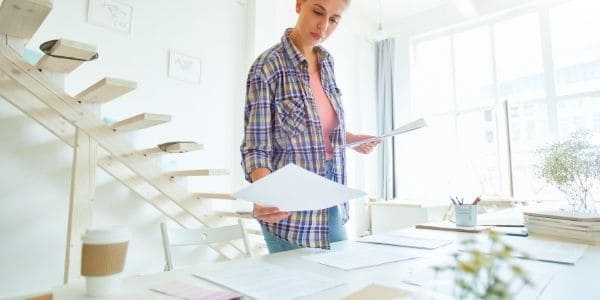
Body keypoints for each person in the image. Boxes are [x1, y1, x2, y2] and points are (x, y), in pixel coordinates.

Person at [240, 0, 379, 253]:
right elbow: (255, 146)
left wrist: (352, 138)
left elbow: (318, 130)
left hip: (330, 192)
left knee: (340, 280)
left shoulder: (327, 63)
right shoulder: (268, 66)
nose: (323, 26)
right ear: (299, 4)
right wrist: (264, 195)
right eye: (317, 12)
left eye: (334, 19)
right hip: (289, 203)